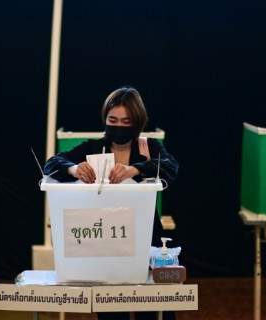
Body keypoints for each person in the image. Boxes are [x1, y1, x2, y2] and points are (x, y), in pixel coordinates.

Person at [44, 86, 179, 320]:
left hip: (148, 241)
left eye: (126, 121)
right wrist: (74, 168)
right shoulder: (92, 148)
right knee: (111, 312)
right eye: (112, 119)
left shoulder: (148, 148)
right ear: (104, 119)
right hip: (106, 246)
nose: (118, 126)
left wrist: (134, 169)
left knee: (154, 311)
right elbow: (51, 164)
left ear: (137, 123)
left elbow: (171, 167)